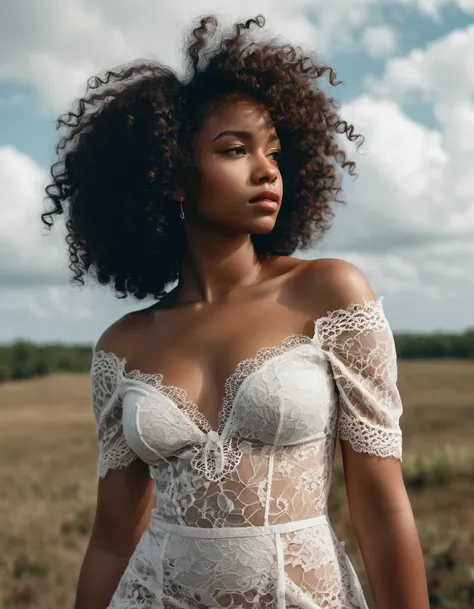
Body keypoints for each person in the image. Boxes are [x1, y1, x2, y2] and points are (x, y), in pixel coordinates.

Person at [41, 14, 430, 609]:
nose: (267, 168)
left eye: (273, 151)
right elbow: (112, 540)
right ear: (170, 176)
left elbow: (380, 505)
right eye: (234, 149)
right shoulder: (122, 348)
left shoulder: (329, 294)